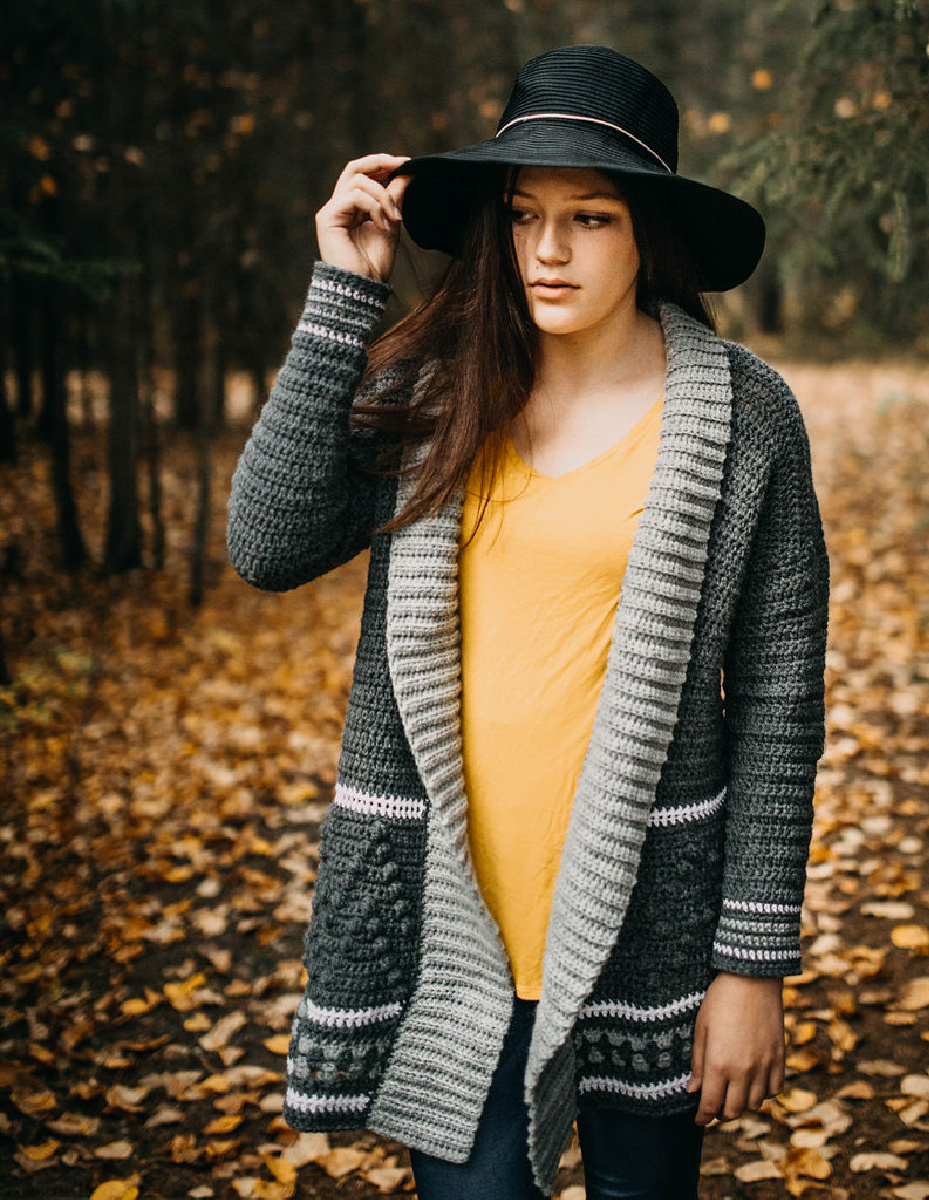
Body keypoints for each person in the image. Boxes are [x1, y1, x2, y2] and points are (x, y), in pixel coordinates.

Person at [226, 44, 829, 1200]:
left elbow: (778, 704)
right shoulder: (436, 388)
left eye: (591, 217)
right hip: (455, 934)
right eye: (525, 215)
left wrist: (752, 964)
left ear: (648, 230)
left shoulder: (749, 419)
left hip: (649, 928)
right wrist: (345, 289)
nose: (550, 250)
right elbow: (266, 544)